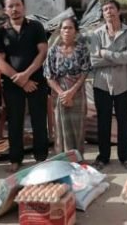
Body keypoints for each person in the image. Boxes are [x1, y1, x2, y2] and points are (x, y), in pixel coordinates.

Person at [0, 0, 49, 173]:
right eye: (10, 6)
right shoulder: (0, 32)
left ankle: (41, 157)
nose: (15, 9)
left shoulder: (36, 27)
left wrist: (27, 74)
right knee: (15, 122)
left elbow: (42, 52)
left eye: (17, 5)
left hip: (36, 81)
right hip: (12, 84)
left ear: (24, 7)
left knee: (39, 120)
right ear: (5, 10)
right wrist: (20, 80)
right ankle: (15, 158)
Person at [87, 0, 127, 171]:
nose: (108, 11)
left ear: (118, 11)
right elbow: (93, 60)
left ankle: (126, 156)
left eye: (111, 8)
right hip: (101, 85)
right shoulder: (96, 34)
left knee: (124, 121)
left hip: (123, 84)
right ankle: (103, 156)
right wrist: (117, 58)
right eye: (105, 9)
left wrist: (105, 53)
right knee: (103, 121)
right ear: (103, 14)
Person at [44, 17, 91, 155]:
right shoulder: (53, 51)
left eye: (70, 28)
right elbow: (49, 75)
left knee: (78, 127)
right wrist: (62, 93)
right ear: (60, 31)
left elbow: (84, 72)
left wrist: (71, 92)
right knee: (61, 128)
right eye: (64, 28)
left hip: (77, 93)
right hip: (59, 94)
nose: (67, 31)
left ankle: (78, 158)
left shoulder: (82, 49)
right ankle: (63, 160)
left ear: (75, 31)